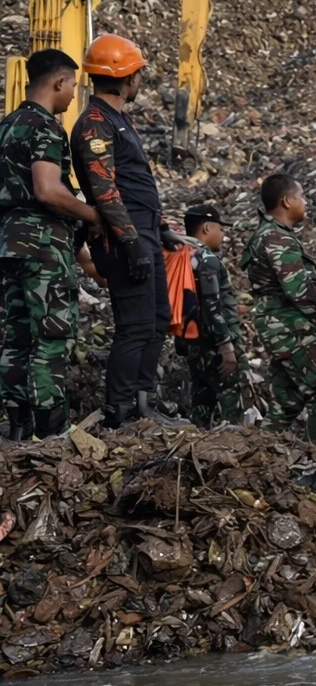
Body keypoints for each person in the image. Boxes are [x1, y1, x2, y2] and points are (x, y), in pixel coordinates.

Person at [70, 33, 183, 427]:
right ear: (127, 77)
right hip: (124, 239)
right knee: (134, 326)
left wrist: (161, 227)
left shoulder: (118, 120)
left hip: (143, 233)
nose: (141, 80)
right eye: (138, 73)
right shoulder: (95, 124)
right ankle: (120, 411)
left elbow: (137, 184)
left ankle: (143, 403)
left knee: (156, 319)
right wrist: (131, 242)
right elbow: (105, 189)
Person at [0, 49, 101, 439]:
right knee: (52, 337)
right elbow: (47, 190)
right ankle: (50, 431)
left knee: (19, 335)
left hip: (10, 243)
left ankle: (17, 426)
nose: (74, 94)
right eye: (73, 85)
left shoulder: (7, 126)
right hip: (42, 244)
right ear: (59, 82)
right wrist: (95, 216)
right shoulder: (45, 127)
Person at [241, 173, 316, 443]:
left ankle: (259, 456)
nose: (306, 202)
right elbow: (299, 293)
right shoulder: (276, 238)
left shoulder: (272, 234)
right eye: (302, 196)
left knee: (287, 402)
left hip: (282, 327)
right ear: (287, 201)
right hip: (290, 327)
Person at [174, 204, 244, 427]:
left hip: (193, 342)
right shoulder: (207, 260)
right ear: (206, 227)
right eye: (220, 229)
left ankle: (198, 444)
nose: (223, 235)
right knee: (232, 400)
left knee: (201, 400)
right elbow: (212, 305)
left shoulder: (182, 256)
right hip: (215, 343)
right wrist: (226, 346)